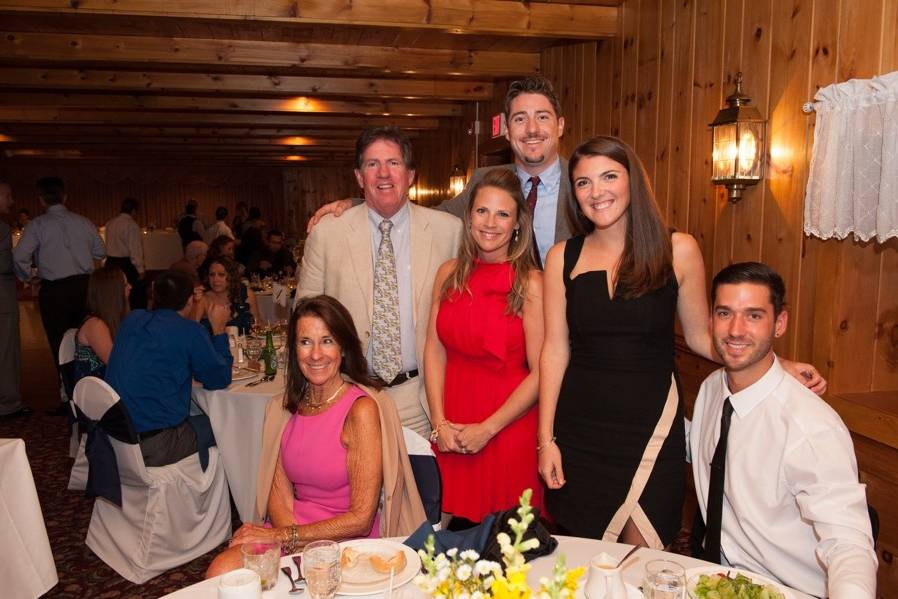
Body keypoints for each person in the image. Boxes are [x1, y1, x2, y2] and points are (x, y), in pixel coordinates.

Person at [538, 136, 826, 549]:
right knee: (587, 563)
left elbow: (702, 338)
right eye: (583, 183)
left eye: (608, 177)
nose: (596, 192)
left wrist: (775, 365)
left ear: (632, 181)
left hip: (651, 428)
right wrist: (546, 441)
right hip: (580, 433)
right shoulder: (561, 257)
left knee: (645, 560)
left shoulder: (677, 249)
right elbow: (554, 351)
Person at [690, 262, 876, 598]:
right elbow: (701, 446)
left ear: (780, 324)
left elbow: (849, 542)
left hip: (791, 590)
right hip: (717, 581)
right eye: (724, 313)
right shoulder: (711, 390)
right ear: (710, 320)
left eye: (754, 316)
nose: (735, 329)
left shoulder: (810, 426)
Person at [205, 295, 426, 577]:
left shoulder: (360, 410)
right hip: (292, 531)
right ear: (294, 350)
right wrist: (291, 545)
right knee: (220, 571)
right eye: (305, 342)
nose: (316, 354)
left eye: (327, 340)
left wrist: (286, 539)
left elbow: (360, 518)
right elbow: (280, 498)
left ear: (343, 348)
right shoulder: (281, 409)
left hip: (346, 540)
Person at [295, 126, 462, 437]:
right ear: (359, 177)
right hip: (347, 395)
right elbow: (305, 316)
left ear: (411, 175)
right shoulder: (328, 233)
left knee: (419, 486)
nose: (383, 173)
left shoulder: (450, 232)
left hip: (422, 401)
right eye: (372, 164)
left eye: (394, 163)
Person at [307, 76, 571, 267]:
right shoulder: (485, 181)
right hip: (504, 333)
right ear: (507, 130)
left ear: (559, 126)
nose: (532, 129)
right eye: (520, 119)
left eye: (543, 117)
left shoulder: (582, 185)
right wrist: (359, 203)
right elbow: (424, 219)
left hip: (574, 337)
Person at [424, 169, 544, 523]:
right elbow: (434, 349)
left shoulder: (530, 283)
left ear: (517, 224)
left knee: (507, 552)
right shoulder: (448, 273)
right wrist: (439, 421)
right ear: (469, 217)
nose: (490, 223)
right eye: (481, 211)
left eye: (503, 214)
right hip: (453, 428)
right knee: (450, 549)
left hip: (507, 431)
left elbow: (542, 373)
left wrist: (488, 429)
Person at [105, 269, 232, 467]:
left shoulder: (132, 320)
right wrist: (219, 330)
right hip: (157, 445)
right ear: (190, 301)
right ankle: (237, 493)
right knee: (229, 424)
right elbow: (220, 379)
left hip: (116, 439)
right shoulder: (190, 331)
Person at [13, 176, 106, 368]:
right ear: (65, 197)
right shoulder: (83, 221)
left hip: (54, 291)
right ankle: (88, 385)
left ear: (41, 199)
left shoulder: (37, 225)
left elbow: (18, 257)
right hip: (85, 287)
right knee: (88, 340)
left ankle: (66, 390)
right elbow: (100, 251)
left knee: (60, 343)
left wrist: (28, 277)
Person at [73, 265, 130, 382]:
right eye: (125, 285)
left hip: (112, 385)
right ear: (113, 292)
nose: (130, 287)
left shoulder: (111, 320)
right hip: (98, 393)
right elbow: (117, 365)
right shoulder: (95, 325)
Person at [0, 182, 25, 417]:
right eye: (8, 195)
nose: (11, 201)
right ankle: (8, 403)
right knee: (6, 351)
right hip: (2, 299)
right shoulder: (2, 228)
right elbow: (4, 264)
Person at [196, 255, 260, 334]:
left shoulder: (246, 294)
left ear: (231, 276)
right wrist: (195, 302)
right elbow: (192, 330)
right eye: (212, 275)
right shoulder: (203, 298)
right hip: (214, 345)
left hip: (243, 345)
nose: (215, 279)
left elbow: (258, 323)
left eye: (221, 274)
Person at [104, 197, 147, 309]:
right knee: (135, 297)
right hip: (125, 265)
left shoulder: (110, 222)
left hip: (110, 263)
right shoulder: (131, 225)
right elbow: (135, 249)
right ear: (133, 211)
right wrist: (140, 270)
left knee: (113, 295)